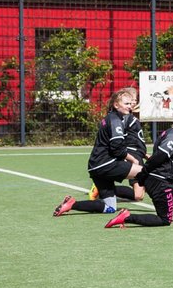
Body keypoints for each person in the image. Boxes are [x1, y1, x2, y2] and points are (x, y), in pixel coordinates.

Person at [53, 87, 145, 217]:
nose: (130, 107)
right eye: (126, 104)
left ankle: (72, 204)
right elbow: (117, 148)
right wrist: (133, 159)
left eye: (130, 104)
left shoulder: (112, 117)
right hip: (106, 165)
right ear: (116, 104)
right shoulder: (115, 121)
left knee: (109, 207)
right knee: (146, 172)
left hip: (95, 167)